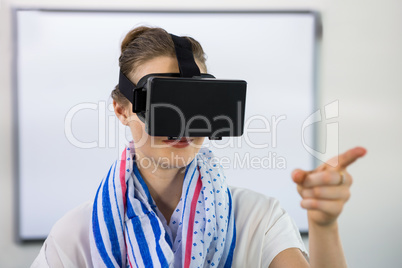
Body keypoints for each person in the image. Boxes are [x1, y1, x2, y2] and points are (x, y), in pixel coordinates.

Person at [31, 26, 367, 268]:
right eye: (164, 103)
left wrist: (324, 226)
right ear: (122, 110)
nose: (182, 124)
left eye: (195, 102)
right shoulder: (76, 234)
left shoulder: (258, 218)